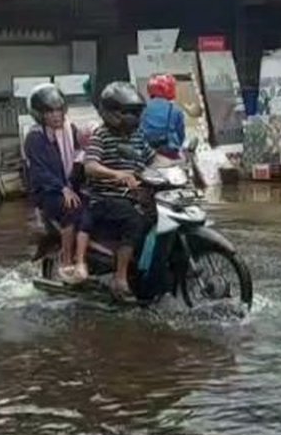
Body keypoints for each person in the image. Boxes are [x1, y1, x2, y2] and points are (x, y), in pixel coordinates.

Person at [71, 82, 150, 302]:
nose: (133, 117)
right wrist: (118, 174)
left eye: (136, 112)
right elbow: (91, 166)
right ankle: (120, 277)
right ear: (111, 112)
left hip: (134, 196)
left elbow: (154, 158)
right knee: (135, 221)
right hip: (105, 199)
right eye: (128, 112)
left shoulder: (138, 136)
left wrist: (179, 163)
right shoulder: (101, 136)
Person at [22, 84, 82, 277]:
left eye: (58, 110)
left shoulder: (69, 130)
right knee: (70, 209)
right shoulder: (35, 138)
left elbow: (80, 154)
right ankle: (66, 260)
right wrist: (61, 188)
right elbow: (39, 171)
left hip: (70, 186)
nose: (56, 116)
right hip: (48, 192)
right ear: (40, 115)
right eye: (50, 112)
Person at [140, 74, 187, 164]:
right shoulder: (175, 110)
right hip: (170, 153)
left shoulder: (143, 108)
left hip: (147, 153)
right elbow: (181, 135)